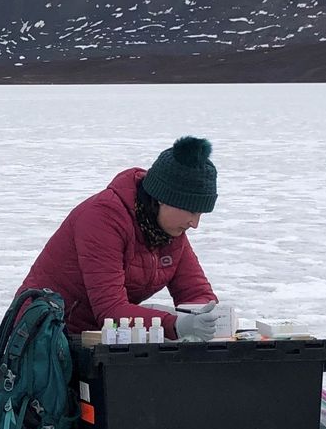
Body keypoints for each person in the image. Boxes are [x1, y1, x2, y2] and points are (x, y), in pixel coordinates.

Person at [18, 136, 224, 340]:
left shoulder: (168, 229)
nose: (195, 224)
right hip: (41, 336)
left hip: (98, 337)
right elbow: (110, 310)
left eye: (200, 214)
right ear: (163, 198)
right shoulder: (103, 219)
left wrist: (204, 317)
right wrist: (175, 325)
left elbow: (195, 292)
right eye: (191, 211)